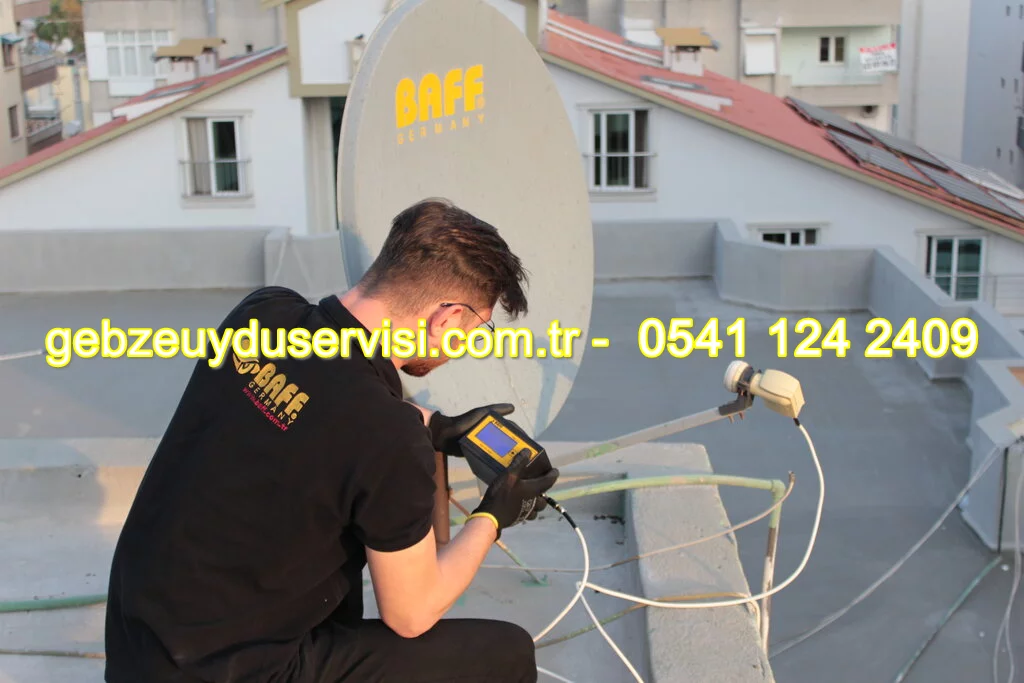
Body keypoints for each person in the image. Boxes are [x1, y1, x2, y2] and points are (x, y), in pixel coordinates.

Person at [104, 198, 560, 683]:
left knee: (339, 591)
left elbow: (318, 399)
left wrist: (438, 426)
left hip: (139, 648)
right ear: (445, 319)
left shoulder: (262, 313)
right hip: (234, 672)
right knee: (506, 653)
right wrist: (493, 516)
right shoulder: (387, 439)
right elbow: (412, 613)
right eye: (475, 328)